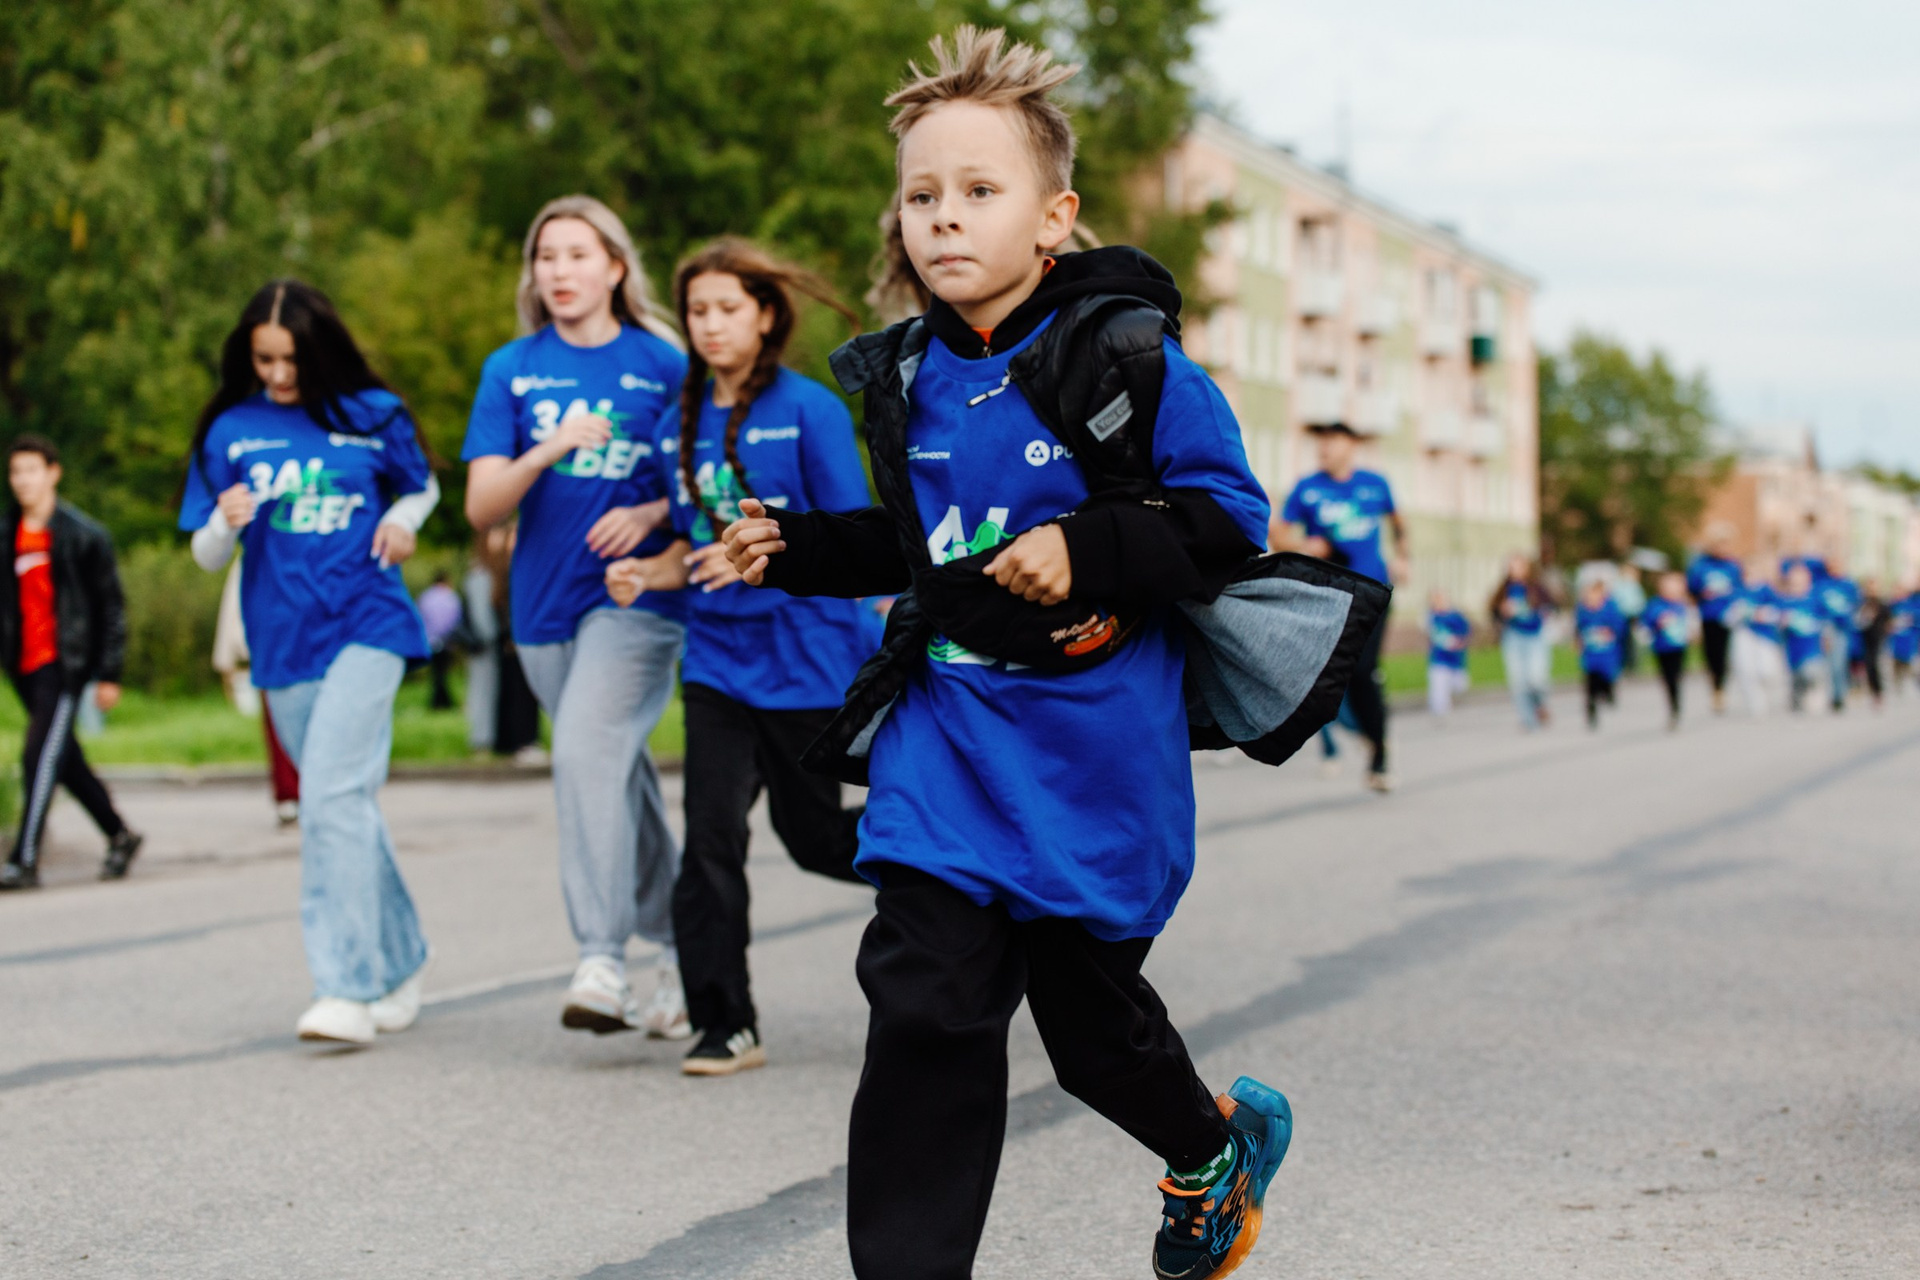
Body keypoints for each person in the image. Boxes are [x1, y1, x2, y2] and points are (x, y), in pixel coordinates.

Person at [717, 28, 1293, 1278]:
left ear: (1054, 218)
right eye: (922, 194)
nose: (944, 216)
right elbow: (920, 544)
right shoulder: (909, 375)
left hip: (1094, 764)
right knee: (923, 1004)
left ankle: (1212, 1151)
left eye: (980, 190)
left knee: (1092, 1035)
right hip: (948, 750)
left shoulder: (1125, 357)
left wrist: (1086, 543)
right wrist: (794, 544)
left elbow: (1222, 520)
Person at [605, 238, 873, 1076]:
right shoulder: (675, 423)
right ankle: (725, 1023)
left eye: (728, 308)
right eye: (697, 311)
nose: (710, 325)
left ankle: (953, 876)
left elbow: (857, 537)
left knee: (816, 840)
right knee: (710, 841)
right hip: (718, 664)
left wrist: (769, 555)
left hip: (806, 662)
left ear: (765, 315)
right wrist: (647, 571)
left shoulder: (810, 410)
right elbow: (694, 546)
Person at [180, 280, 437, 1044]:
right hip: (282, 638)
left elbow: (420, 488)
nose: (279, 374)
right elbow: (204, 553)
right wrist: (223, 525)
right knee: (342, 804)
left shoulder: (372, 414)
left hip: (369, 621)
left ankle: (344, 989)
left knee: (328, 795)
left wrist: (401, 522)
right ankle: (403, 959)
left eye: (292, 360)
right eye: (265, 360)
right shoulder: (230, 428)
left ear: (321, 351)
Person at [463, 196, 692, 1039]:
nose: (559, 271)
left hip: (637, 599)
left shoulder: (663, 362)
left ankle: (601, 959)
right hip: (541, 606)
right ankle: (684, 947)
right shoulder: (512, 368)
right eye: (546, 257)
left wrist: (652, 515)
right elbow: (483, 505)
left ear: (615, 268)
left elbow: (700, 475)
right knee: (611, 773)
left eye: (577, 254)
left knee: (587, 753)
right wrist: (552, 446)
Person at [0, 437, 142, 890]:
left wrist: (109, 673)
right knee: (65, 761)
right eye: (15, 472)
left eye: (31, 470)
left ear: (53, 473)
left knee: (38, 756)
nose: (23, 480)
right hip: (24, 666)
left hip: (66, 666)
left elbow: (111, 608)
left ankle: (24, 859)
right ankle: (120, 835)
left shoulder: (84, 535)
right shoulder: (7, 534)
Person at [1273, 422, 1406, 792]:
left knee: (1364, 671)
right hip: (1328, 595)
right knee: (1335, 676)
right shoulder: (1308, 488)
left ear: (1350, 445)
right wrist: (1303, 545)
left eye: (1332, 441)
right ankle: (1368, 734)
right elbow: (1278, 533)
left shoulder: (1374, 484)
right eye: (1321, 442)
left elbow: (1399, 523)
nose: (1324, 448)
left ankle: (1379, 755)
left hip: (1373, 591)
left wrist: (1404, 557)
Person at [1490, 554, 1555, 730]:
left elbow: (1550, 606)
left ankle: (1540, 704)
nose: (1516, 570)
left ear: (1527, 568)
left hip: (1535, 636)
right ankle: (1528, 720)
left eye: (1519, 566)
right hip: (1513, 637)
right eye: (1512, 567)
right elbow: (1493, 611)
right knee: (1518, 681)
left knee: (1536, 679)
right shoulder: (1503, 589)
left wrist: (1540, 611)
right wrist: (1502, 611)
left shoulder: (1536, 587)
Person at [1686, 526, 1743, 713]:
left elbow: (1740, 589)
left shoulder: (1733, 566)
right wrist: (1702, 595)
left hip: (1728, 617)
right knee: (1711, 654)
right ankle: (1715, 686)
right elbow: (1692, 589)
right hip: (1708, 615)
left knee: (1724, 654)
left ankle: (1721, 689)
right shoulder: (1701, 566)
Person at [1730, 560, 1788, 716]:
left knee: (1767, 669)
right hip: (1744, 632)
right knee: (1746, 669)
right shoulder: (1737, 591)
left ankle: (1768, 692)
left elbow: (1779, 612)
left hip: (1765, 634)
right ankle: (1756, 703)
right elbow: (1727, 615)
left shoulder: (1767, 590)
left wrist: (1765, 614)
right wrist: (1739, 613)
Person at [1641, 571, 1693, 728]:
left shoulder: (1682, 604)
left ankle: (1676, 707)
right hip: (1662, 647)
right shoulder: (1655, 604)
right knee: (1667, 678)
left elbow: (1691, 623)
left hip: (1679, 647)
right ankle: (1673, 707)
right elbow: (1645, 623)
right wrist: (1656, 624)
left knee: (1676, 677)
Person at [1575, 576, 1624, 730]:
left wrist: (1610, 632)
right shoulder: (1583, 610)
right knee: (1590, 683)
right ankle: (1591, 710)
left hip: (1607, 653)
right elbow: (1578, 628)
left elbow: (1619, 625)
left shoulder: (1610, 607)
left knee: (1606, 678)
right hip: (1590, 653)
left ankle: (1608, 692)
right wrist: (1578, 642)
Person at [1778, 563, 1825, 712]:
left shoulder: (1814, 600)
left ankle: (1814, 694)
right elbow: (1778, 623)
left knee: (1810, 673)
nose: (1797, 586)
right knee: (1796, 678)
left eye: (1800, 582)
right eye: (1794, 582)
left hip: (1812, 647)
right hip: (1793, 647)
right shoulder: (1785, 602)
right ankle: (1796, 703)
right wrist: (1783, 622)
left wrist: (1826, 637)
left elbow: (1824, 620)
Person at [1812, 568, 1860, 713]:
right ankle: (1831, 695)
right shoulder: (1822, 584)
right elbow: (1816, 606)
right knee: (1828, 664)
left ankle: (1839, 695)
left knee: (1838, 663)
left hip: (1842, 629)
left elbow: (1855, 605)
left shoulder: (1848, 584)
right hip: (1826, 627)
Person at [417, 571, 462, 711]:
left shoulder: (425, 597)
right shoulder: (451, 597)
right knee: (443, 672)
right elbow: (456, 620)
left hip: (430, 641)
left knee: (436, 672)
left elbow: (420, 618)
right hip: (447, 640)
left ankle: (439, 701)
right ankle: (443, 701)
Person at [1426, 588, 1471, 720]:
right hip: (1439, 659)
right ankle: (1439, 710)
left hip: (1455, 660)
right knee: (1438, 684)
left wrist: (1460, 642)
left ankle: (1445, 701)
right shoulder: (1432, 617)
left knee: (1460, 686)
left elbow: (1466, 632)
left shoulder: (1456, 617)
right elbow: (1430, 634)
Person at [1853, 579, 1890, 710]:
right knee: (1869, 665)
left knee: (1876, 663)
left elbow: (1889, 620)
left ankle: (1879, 691)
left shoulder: (1882, 604)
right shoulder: (1862, 604)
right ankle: (1873, 691)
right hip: (1866, 638)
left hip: (1879, 638)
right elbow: (1857, 620)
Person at [1611, 562, 1646, 674]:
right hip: (1621, 617)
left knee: (1631, 641)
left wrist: (1638, 615)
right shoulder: (1618, 586)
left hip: (1632, 617)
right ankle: (1622, 663)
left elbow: (1640, 603)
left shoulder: (1635, 587)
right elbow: (1615, 601)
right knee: (1622, 641)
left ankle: (1632, 664)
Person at [1886, 581, 1918, 694]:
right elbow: (1886, 623)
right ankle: (1897, 686)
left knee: (1908, 664)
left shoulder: (1912, 605)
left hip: (1908, 640)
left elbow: (1916, 621)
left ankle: (1908, 684)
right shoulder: (1891, 606)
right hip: (1895, 641)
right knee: (1895, 665)